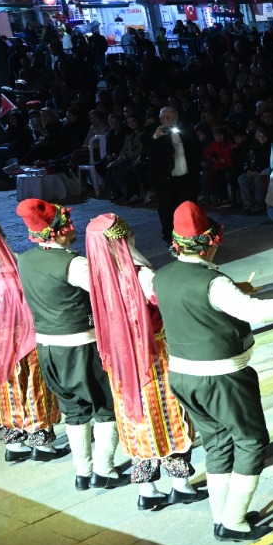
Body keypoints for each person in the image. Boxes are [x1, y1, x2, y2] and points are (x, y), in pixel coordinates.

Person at [156, 202, 273, 540]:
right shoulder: (215, 283)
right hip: (221, 375)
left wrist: (235, 290)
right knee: (251, 441)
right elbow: (260, 311)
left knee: (217, 443)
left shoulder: (162, 276)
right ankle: (235, 521)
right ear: (210, 242)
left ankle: (221, 516)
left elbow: (191, 300)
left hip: (182, 375)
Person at [83, 215, 200, 511]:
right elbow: (165, 302)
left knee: (134, 419)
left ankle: (147, 490)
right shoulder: (140, 274)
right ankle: (181, 485)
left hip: (121, 362)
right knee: (166, 412)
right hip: (153, 354)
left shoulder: (98, 277)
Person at [14, 200, 121, 491]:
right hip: (80, 344)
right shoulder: (74, 263)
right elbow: (108, 292)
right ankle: (104, 469)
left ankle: (82, 472)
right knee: (105, 405)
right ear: (59, 231)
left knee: (74, 410)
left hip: (47, 347)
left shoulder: (24, 260)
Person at [0, 220, 61, 463]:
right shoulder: (8, 268)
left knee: (6, 388)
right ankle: (41, 442)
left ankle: (14, 440)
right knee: (33, 386)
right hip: (22, 337)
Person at [147, 107, 202, 244]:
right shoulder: (154, 130)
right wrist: (156, 136)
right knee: (166, 207)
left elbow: (195, 147)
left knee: (188, 206)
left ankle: (190, 234)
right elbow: (146, 142)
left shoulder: (186, 129)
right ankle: (168, 235)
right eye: (166, 117)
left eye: (172, 117)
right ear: (160, 119)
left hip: (185, 176)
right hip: (165, 178)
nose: (169, 119)